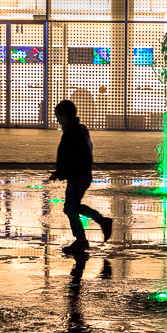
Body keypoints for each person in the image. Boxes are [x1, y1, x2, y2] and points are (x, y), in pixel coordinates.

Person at [50, 100, 113, 254]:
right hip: (81, 174)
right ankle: (96, 227)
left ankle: (83, 238)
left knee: (71, 208)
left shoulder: (71, 133)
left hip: (77, 175)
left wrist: (61, 173)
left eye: (58, 116)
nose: (57, 120)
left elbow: (71, 156)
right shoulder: (79, 129)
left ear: (64, 116)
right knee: (73, 207)